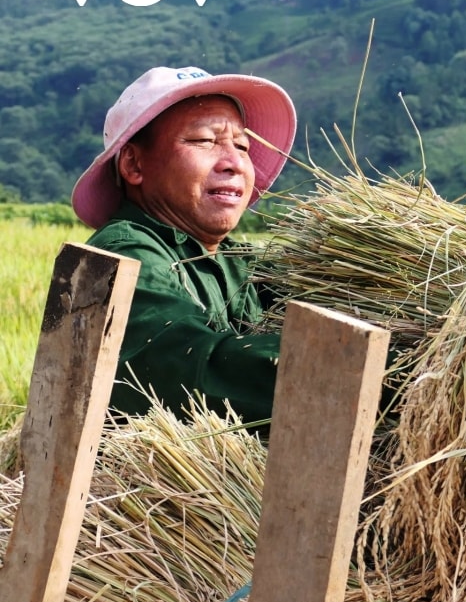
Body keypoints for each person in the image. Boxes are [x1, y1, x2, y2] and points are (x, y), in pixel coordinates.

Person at [71, 65, 297, 435]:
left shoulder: (244, 264)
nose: (235, 162)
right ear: (134, 164)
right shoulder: (124, 254)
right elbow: (189, 370)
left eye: (242, 145)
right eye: (204, 141)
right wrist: (347, 370)